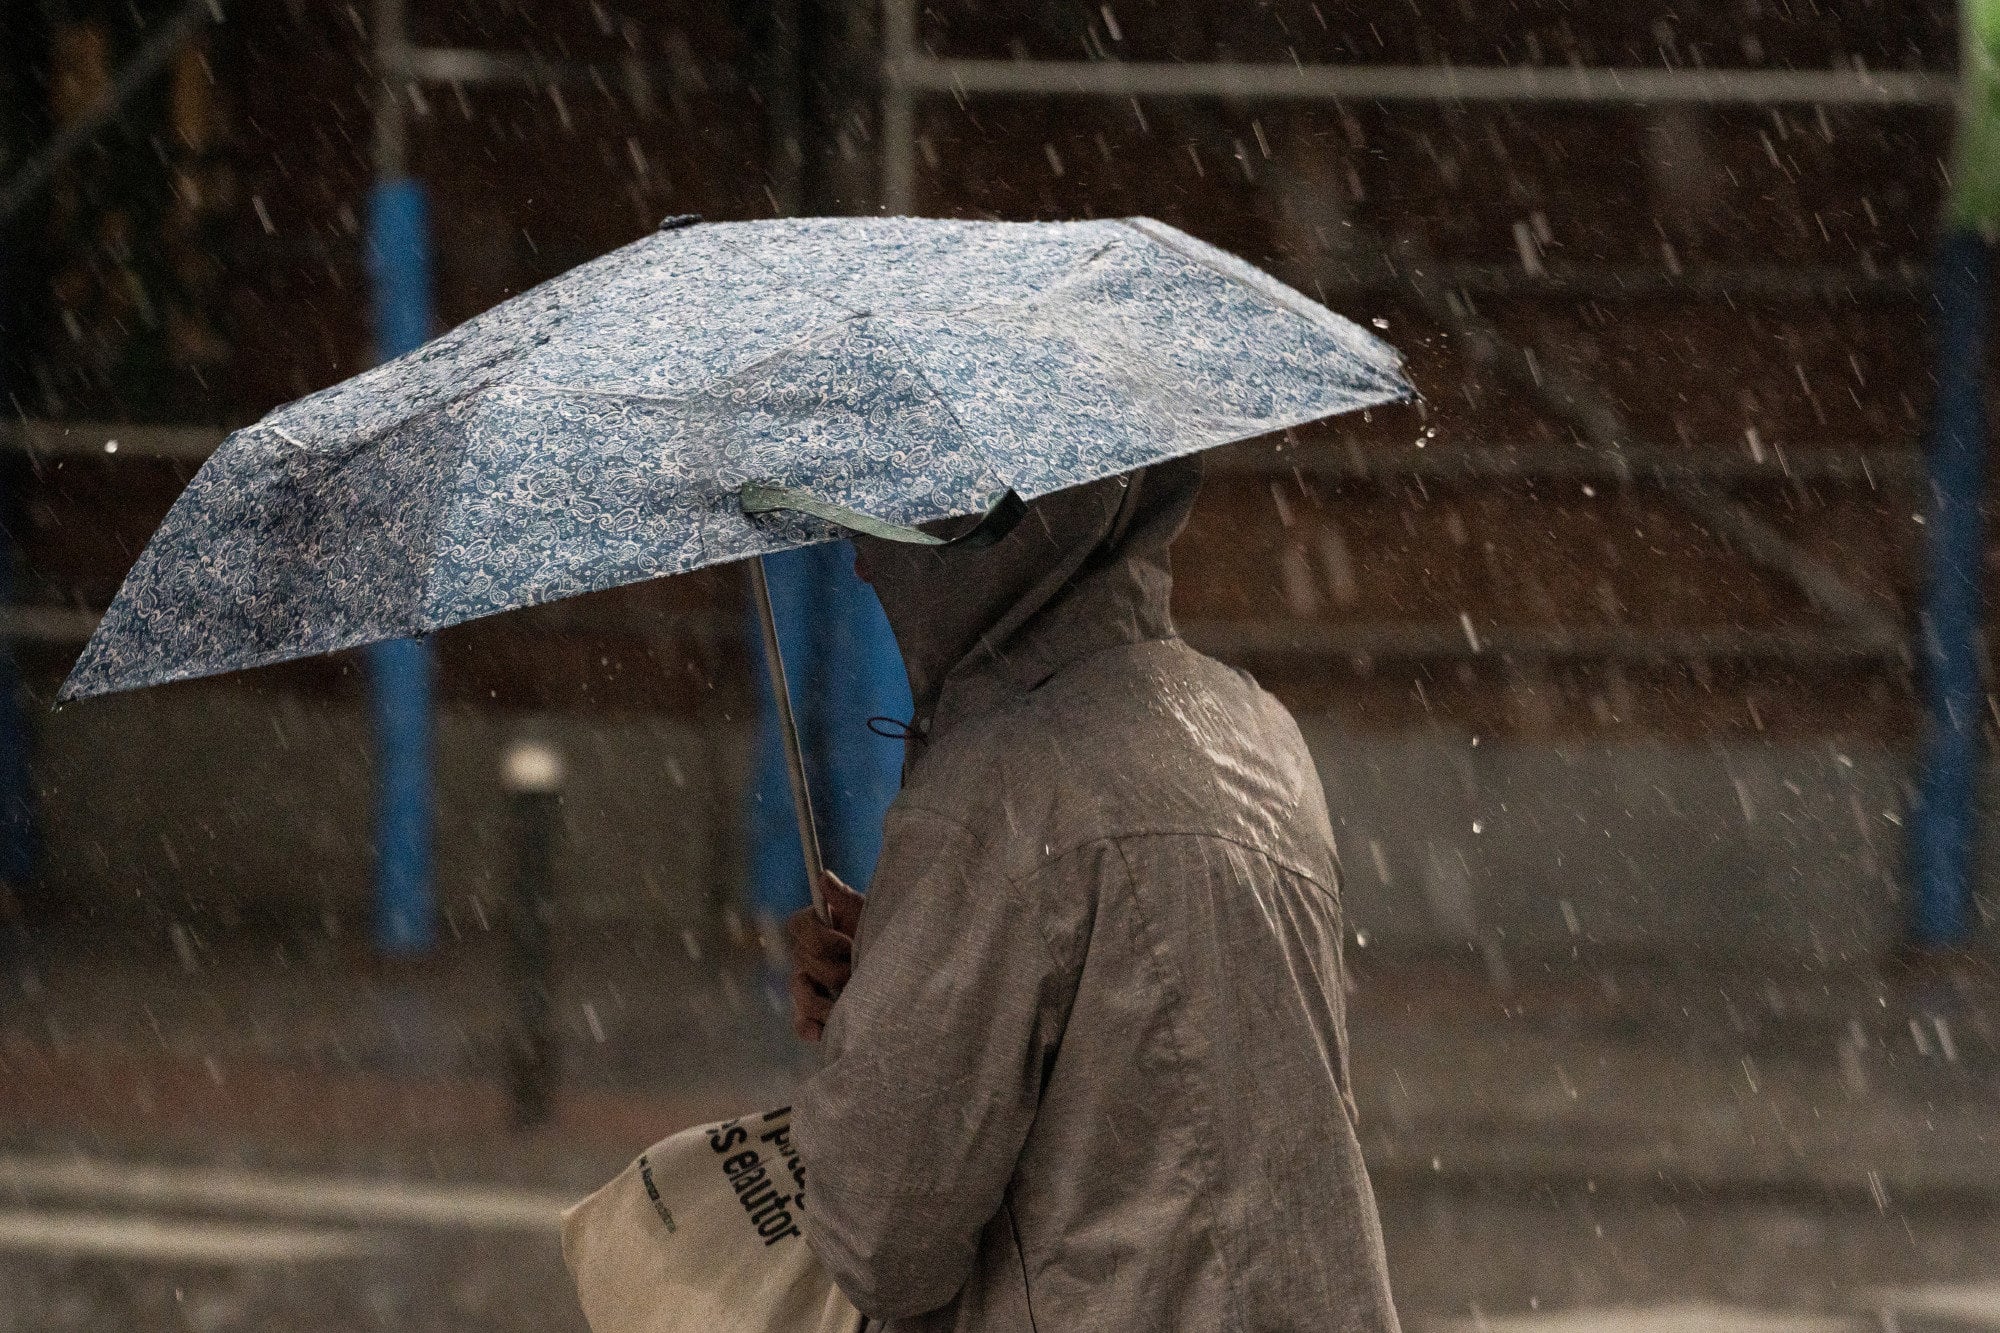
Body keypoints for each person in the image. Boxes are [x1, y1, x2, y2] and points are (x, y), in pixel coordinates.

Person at [785, 458, 1400, 1332]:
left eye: (892, 518)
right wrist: (904, 953)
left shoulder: (997, 791)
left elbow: (880, 1234)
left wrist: (876, 1029)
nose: (861, 561)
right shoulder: (1255, 727)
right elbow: (1147, 1062)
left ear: (977, 537)